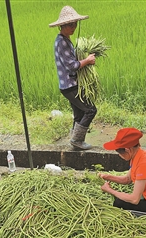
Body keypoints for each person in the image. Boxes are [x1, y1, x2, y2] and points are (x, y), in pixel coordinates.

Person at [49, 6, 97, 150]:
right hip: (70, 85)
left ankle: (74, 142)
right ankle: (77, 140)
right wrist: (87, 61)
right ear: (62, 25)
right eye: (70, 24)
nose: (74, 27)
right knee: (90, 110)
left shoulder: (65, 39)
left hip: (69, 85)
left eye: (75, 24)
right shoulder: (62, 42)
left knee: (79, 113)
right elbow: (72, 66)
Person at [99, 128, 146, 215]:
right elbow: (127, 179)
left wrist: (110, 190)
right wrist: (106, 176)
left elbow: (134, 199)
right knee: (121, 198)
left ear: (127, 150)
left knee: (118, 204)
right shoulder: (139, 154)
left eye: (119, 152)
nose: (119, 155)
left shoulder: (143, 164)